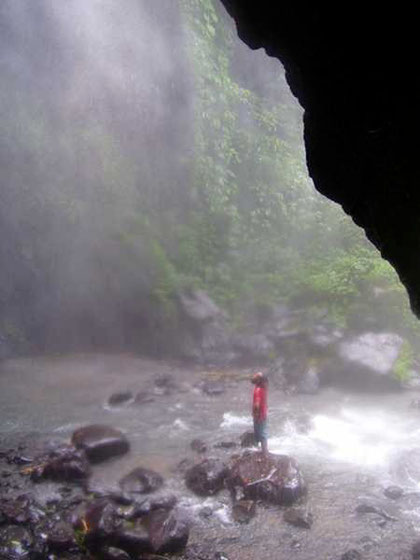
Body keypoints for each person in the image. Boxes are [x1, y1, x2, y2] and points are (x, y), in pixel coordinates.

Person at [251, 371, 268, 456]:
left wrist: (256, 414)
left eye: (256, 377)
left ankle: (264, 452)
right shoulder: (262, 388)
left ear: (259, 380)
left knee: (261, 434)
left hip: (259, 415)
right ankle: (263, 451)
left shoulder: (258, 390)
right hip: (263, 413)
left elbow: (257, 404)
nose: (253, 377)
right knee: (261, 433)